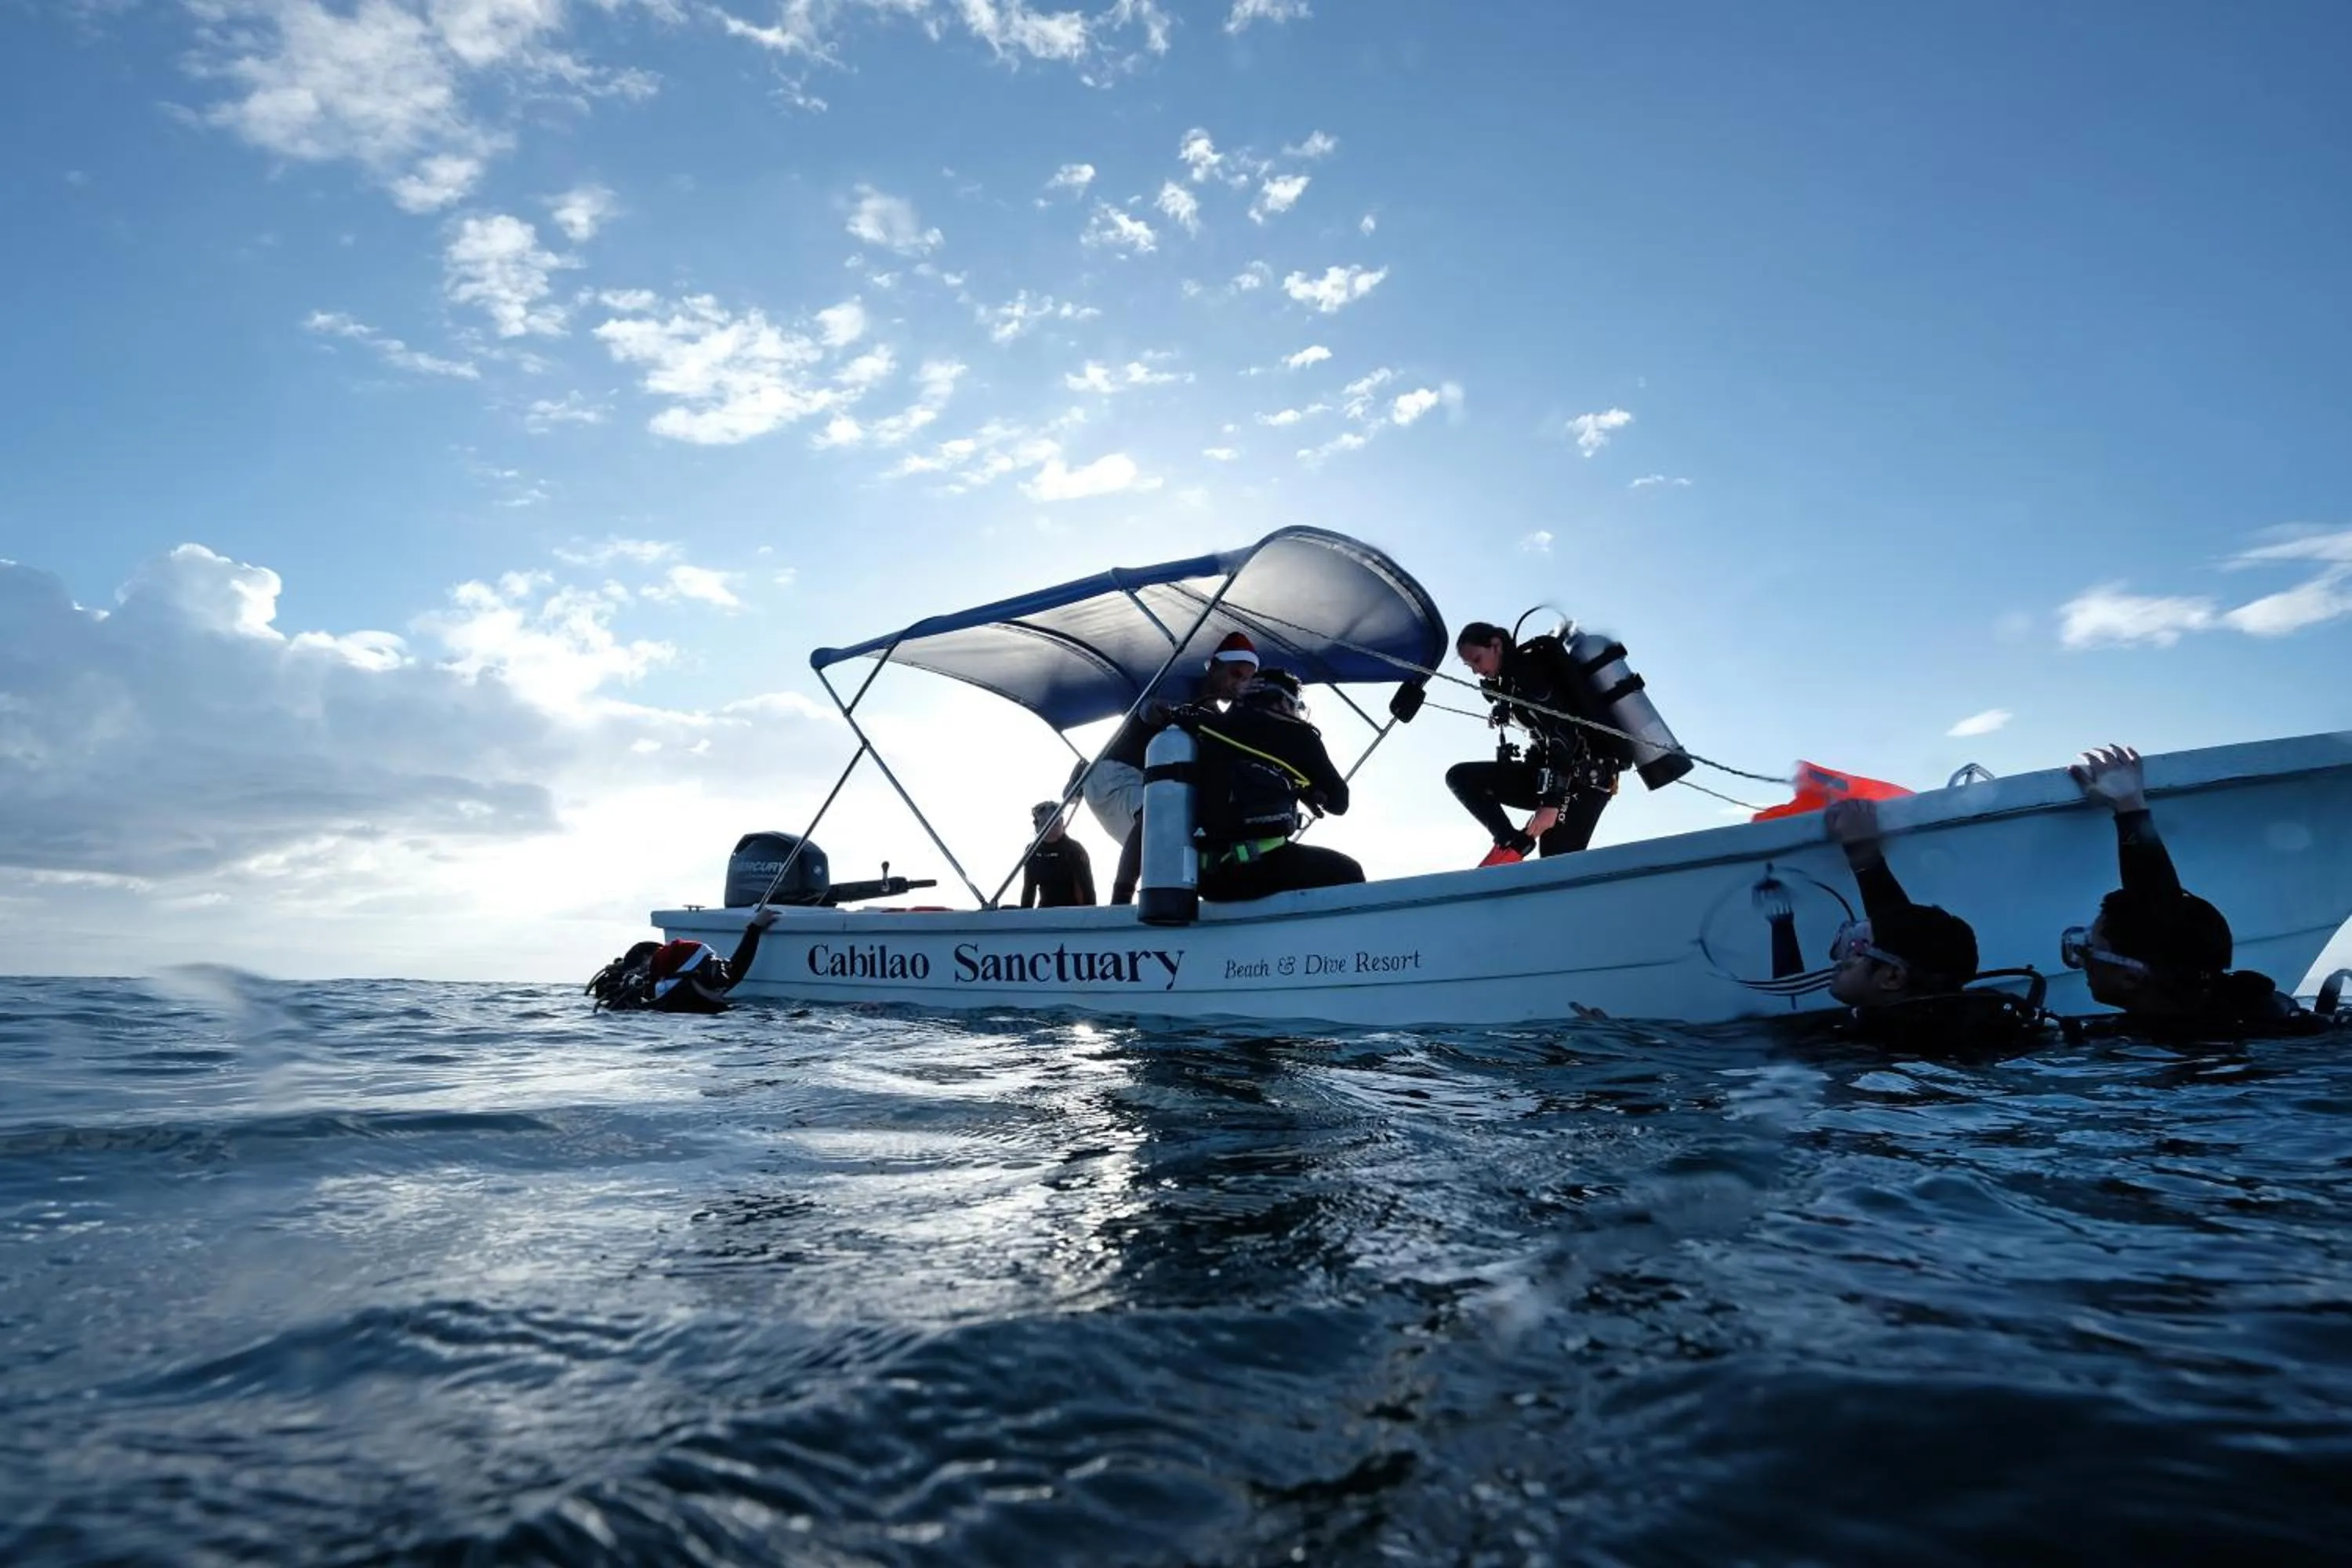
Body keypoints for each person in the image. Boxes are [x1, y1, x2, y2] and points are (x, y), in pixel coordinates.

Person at [2064, 743, 2318, 1035]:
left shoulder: (2127, 1043)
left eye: (2088, 950)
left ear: (2131, 978)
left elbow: (2158, 916)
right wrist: (2130, 807)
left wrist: (2131, 809)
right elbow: (2162, 923)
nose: (2083, 962)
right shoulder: (2258, 1021)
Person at [1084, 630, 1261, 903]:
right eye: (1236, 674)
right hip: (1114, 778)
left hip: (1148, 781)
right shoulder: (1181, 686)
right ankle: (1121, 901)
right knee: (1156, 813)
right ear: (1214, 667)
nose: (1240, 684)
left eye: (1248, 679)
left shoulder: (1215, 715)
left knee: (1197, 821)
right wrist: (1167, 710)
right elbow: (1151, 710)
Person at [1446, 621, 1635, 861]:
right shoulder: (1510, 684)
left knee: (1555, 860)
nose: (1475, 671)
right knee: (1461, 778)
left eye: (1477, 660)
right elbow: (1543, 734)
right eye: (1469, 666)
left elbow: (1563, 734)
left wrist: (1551, 804)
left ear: (1496, 645)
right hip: (1548, 775)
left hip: (1585, 778)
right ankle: (1511, 842)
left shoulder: (1529, 671)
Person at [1183, 668, 1365, 901]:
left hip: (1208, 881)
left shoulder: (1211, 727)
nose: (1298, 714)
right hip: (1262, 869)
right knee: (1349, 872)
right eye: (1297, 706)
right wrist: (1305, 788)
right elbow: (1339, 803)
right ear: (1282, 701)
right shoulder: (1298, 735)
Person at [587, 907, 776, 1014]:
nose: (723, 979)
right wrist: (754, 929)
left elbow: (737, 968)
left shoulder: (683, 993)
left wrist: (754, 929)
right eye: (712, 970)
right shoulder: (670, 997)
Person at [1019, 800, 1097, 909]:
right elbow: (1029, 889)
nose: (1050, 827)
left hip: (1073, 911)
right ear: (1037, 826)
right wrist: (1025, 915)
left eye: (1055, 823)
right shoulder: (1032, 851)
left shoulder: (1074, 850)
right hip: (1045, 911)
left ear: (1062, 822)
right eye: (1045, 823)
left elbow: (1088, 891)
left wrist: (1087, 915)